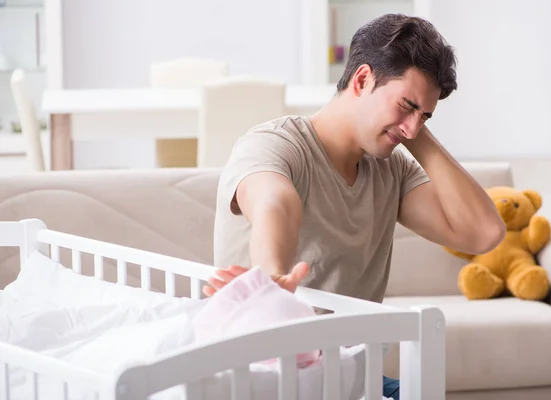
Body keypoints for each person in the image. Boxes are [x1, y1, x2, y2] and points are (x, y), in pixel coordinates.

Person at [205, 13, 506, 400]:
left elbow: (484, 233)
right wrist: (274, 275)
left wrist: (409, 126)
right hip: (267, 377)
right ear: (362, 80)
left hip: (347, 380)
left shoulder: (390, 168)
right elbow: (275, 204)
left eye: (425, 116)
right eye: (406, 105)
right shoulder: (274, 145)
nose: (413, 127)